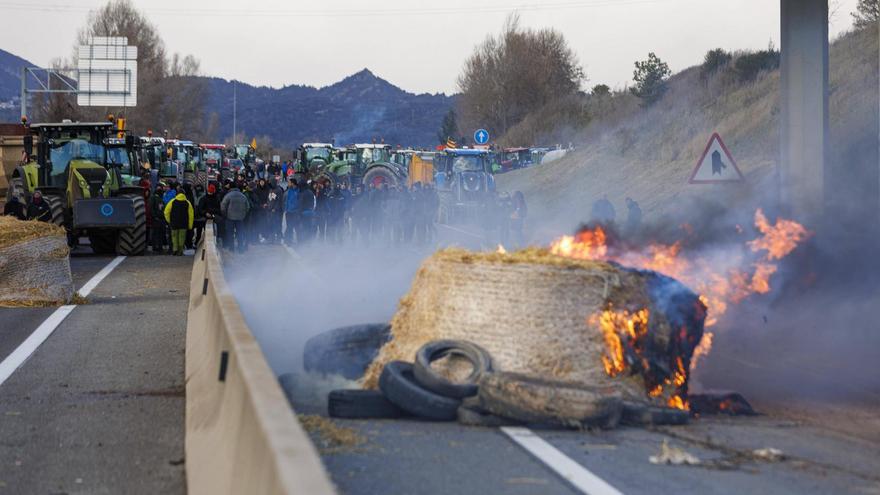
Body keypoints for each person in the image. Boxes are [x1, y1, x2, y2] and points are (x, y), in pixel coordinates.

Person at [163, 187, 194, 256]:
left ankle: (175, 249)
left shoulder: (172, 201)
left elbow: (166, 212)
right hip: (184, 224)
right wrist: (190, 225)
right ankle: (180, 251)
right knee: (181, 237)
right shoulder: (187, 203)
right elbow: (191, 215)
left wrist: (169, 220)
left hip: (174, 223)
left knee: (174, 237)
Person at [220, 184, 250, 252]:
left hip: (230, 218)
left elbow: (223, 206)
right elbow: (248, 207)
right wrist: (243, 215)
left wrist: (225, 215)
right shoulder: (243, 196)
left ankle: (231, 248)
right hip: (240, 219)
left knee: (230, 233)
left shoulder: (228, 195)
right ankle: (241, 249)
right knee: (240, 233)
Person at [150, 183, 167, 253]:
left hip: (161, 219)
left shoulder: (161, 199)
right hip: (156, 219)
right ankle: (155, 247)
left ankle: (159, 247)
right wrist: (155, 216)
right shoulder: (154, 198)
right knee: (156, 233)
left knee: (161, 233)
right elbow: (152, 208)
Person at [283, 178, 299, 245]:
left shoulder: (298, 190)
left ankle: (299, 241)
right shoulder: (289, 190)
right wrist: (286, 210)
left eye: (289, 182)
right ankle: (288, 240)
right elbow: (287, 201)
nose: (288, 184)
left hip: (295, 212)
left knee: (296, 227)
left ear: (292, 183)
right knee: (289, 227)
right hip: (288, 212)